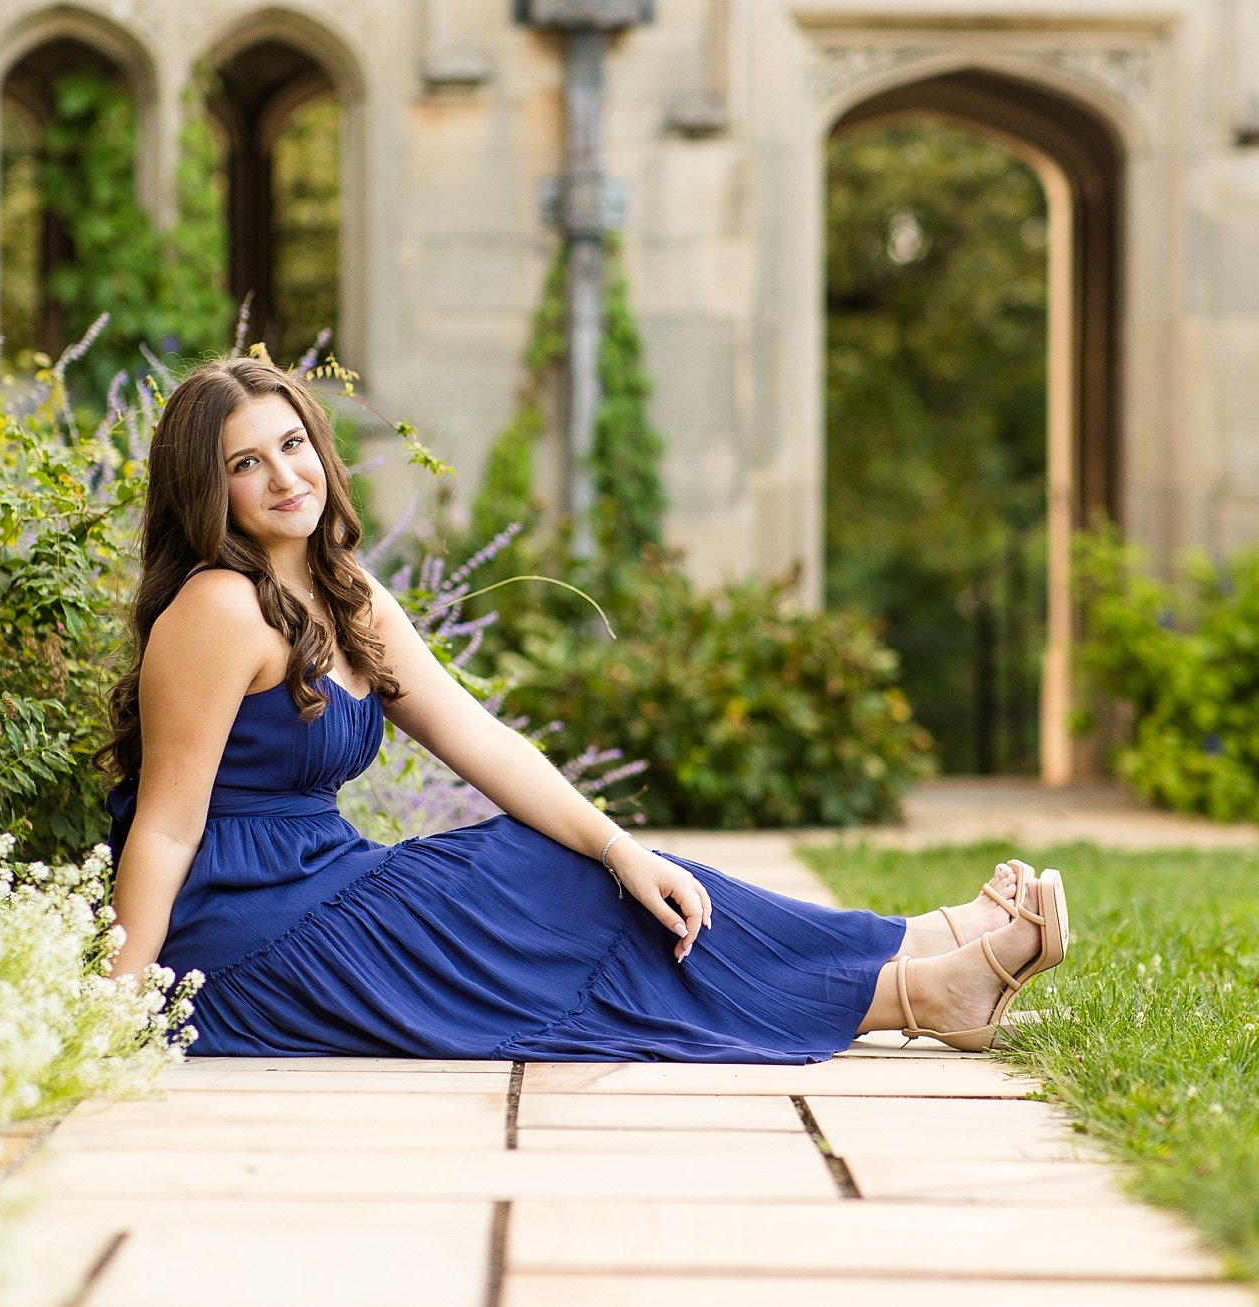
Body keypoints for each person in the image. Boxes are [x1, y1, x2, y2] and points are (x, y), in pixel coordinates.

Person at [104, 356, 1067, 1061]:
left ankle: (915, 948)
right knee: (539, 895)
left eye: (293, 443)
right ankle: (916, 989)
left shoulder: (343, 591)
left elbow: (479, 739)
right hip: (242, 942)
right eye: (246, 463)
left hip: (329, 885)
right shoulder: (217, 608)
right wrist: (118, 1006)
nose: (285, 476)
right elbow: (166, 825)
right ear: (208, 488)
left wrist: (622, 847)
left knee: (581, 867)